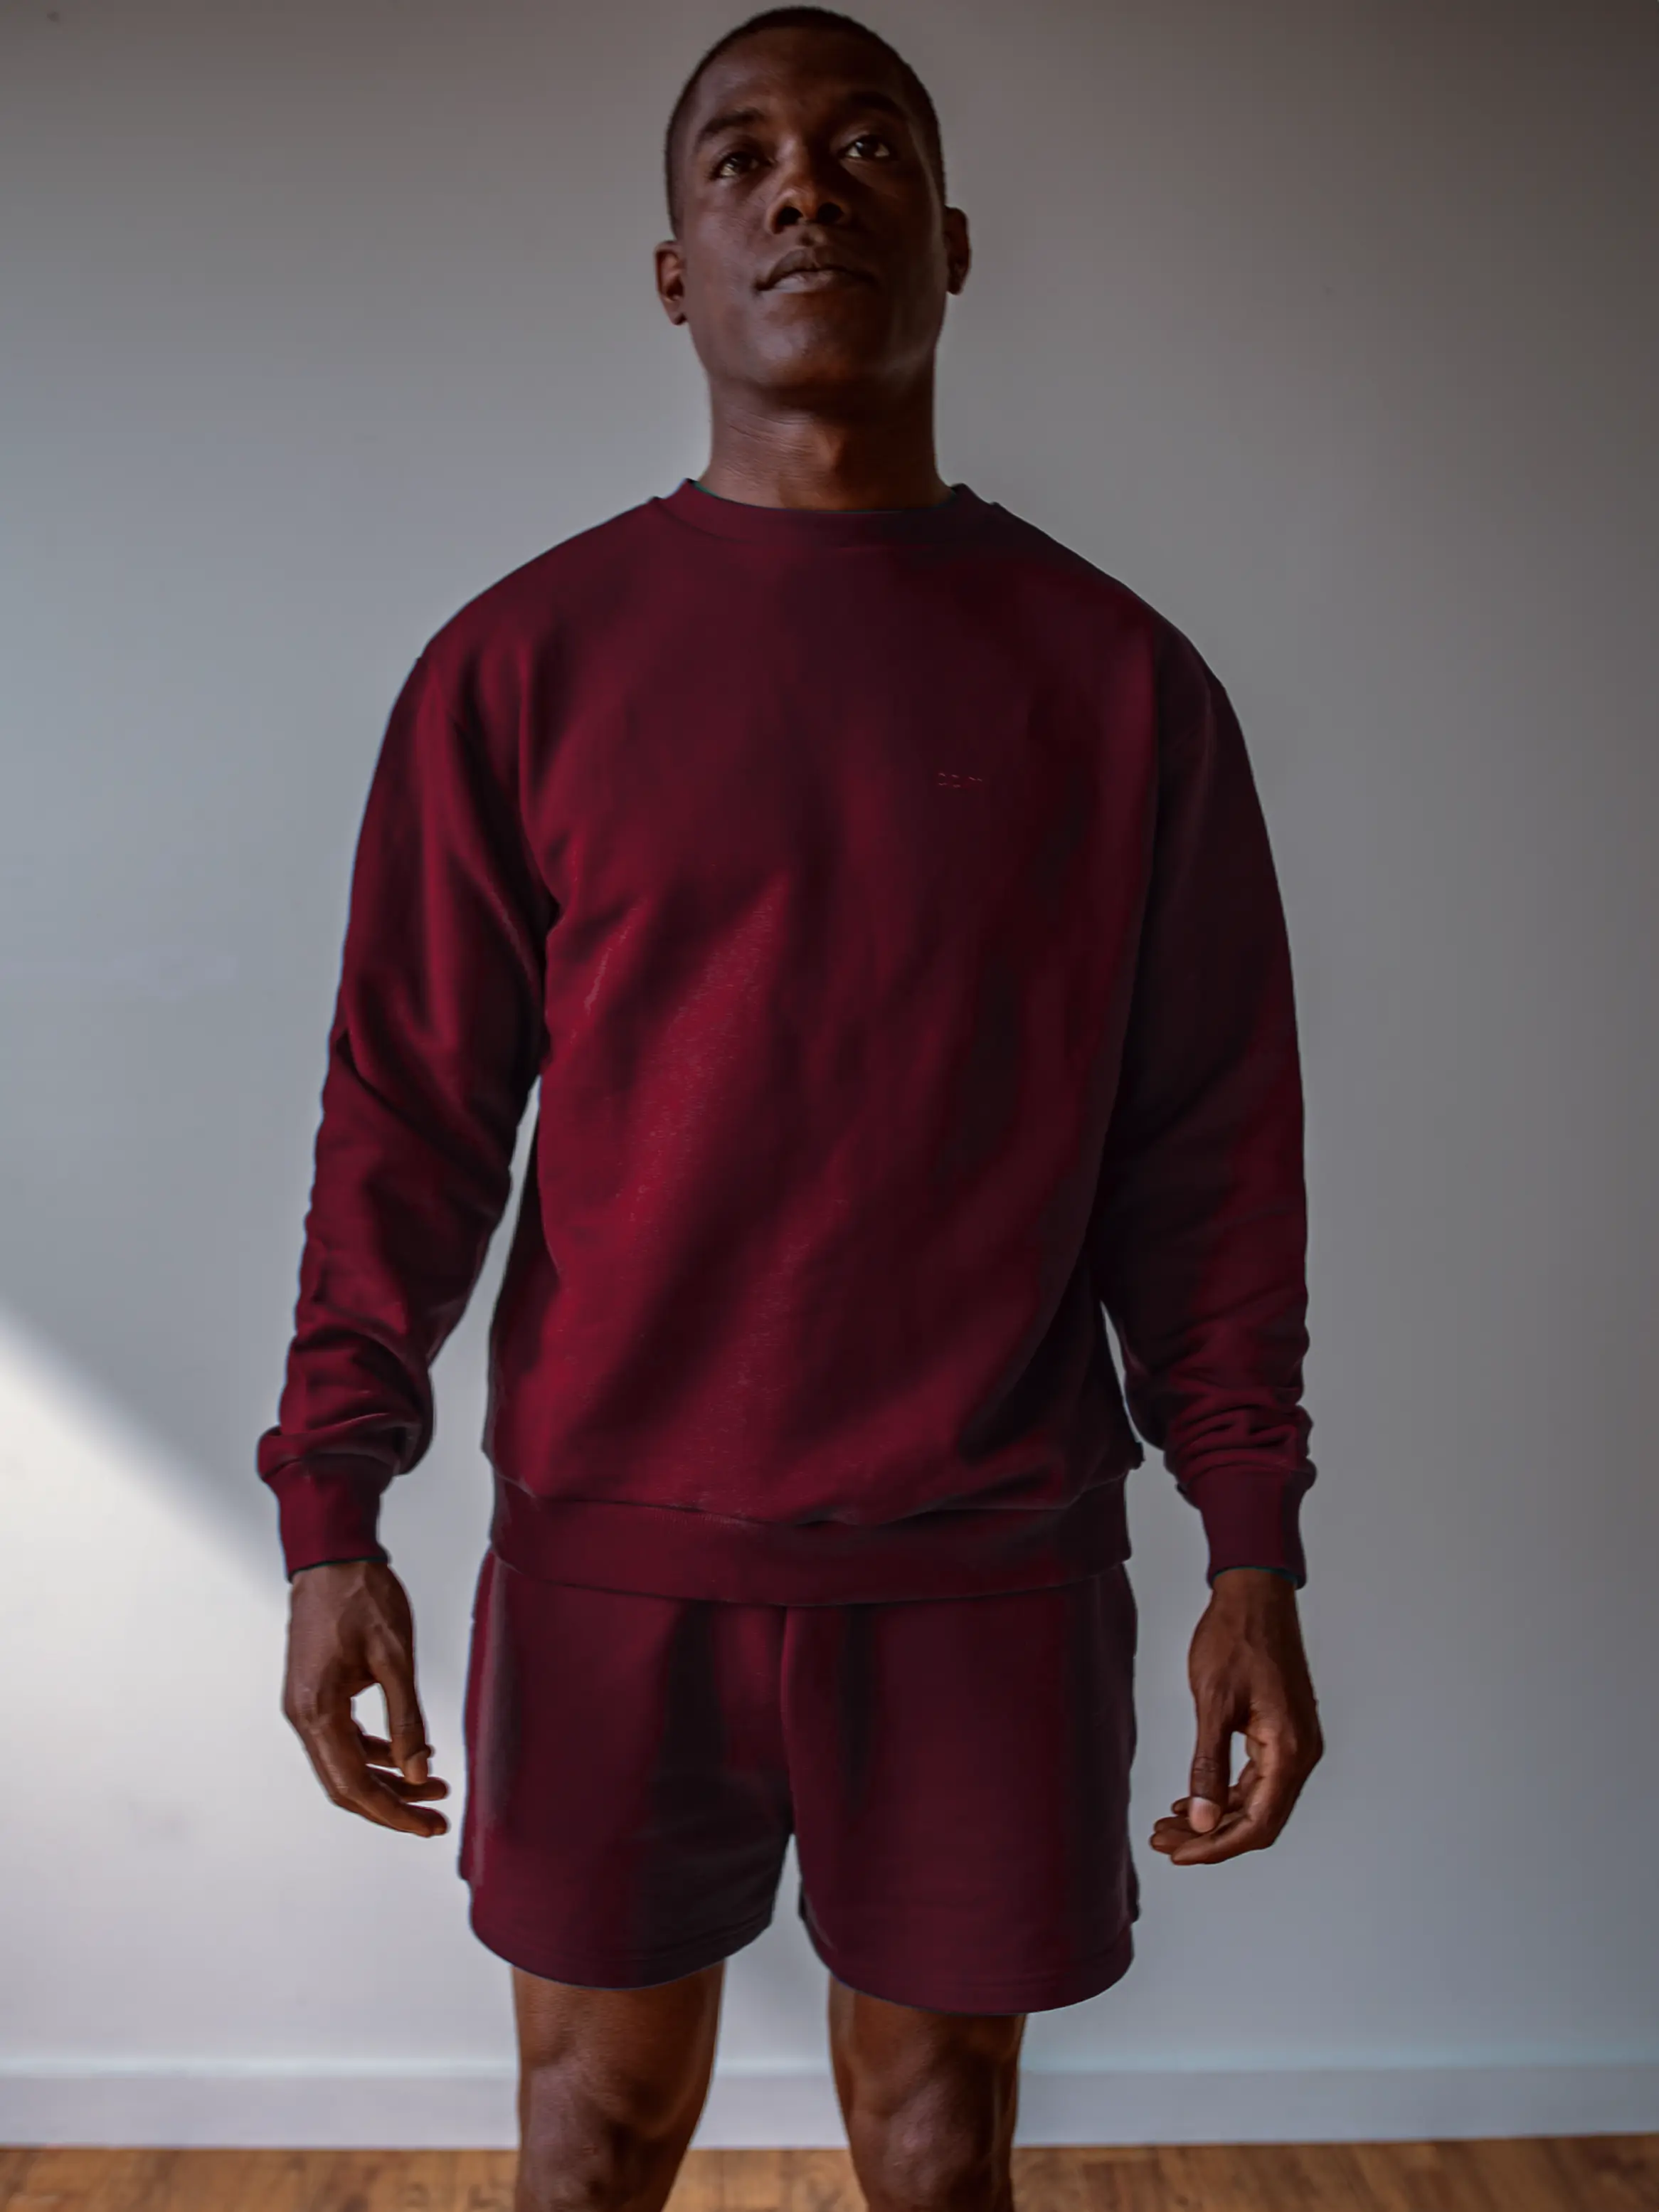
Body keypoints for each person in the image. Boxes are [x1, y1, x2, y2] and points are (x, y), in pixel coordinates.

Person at [263, 8, 1325, 2205]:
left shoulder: (1117, 684)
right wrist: (332, 1506)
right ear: (674, 264)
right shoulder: (523, 665)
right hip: (610, 1546)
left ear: (948, 240)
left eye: (861, 150)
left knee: (937, 2148)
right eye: (738, 157)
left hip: (983, 1553)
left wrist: (1248, 1547)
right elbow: (410, 1117)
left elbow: (1207, 1160)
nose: (799, 186)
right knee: (592, 2128)